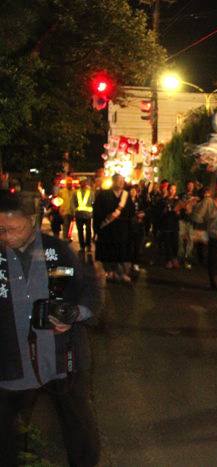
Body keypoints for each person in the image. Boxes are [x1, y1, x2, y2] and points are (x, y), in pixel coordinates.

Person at [0, 191, 100, 466]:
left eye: (13, 229)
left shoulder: (58, 251)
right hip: (12, 360)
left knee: (78, 425)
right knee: (4, 429)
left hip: (62, 357)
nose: (6, 236)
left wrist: (76, 313)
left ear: (32, 221)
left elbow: (88, 289)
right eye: (0, 230)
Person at [93, 174, 135, 283]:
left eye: (122, 180)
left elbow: (131, 211)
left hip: (122, 228)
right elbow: (97, 211)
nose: (121, 182)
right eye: (118, 180)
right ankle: (109, 271)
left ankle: (122, 273)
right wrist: (98, 226)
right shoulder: (103, 195)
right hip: (108, 228)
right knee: (108, 250)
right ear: (113, 181)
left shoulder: (126, 195)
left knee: (122, 251)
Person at [177, 180, 198, 269]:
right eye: (188, 185)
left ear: (193, 186)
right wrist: (187, 203)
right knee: (180, 237)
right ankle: (180, 256)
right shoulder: (182, 195)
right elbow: (179, 205)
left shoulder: (196, 196)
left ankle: (187, 257)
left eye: (191, 185)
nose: (190, 186)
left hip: (191, 220)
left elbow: (198, 208)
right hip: (182, 219)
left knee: (190, 239)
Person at [71, 178, 94, 252]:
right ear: (80, 183)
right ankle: (82, 246)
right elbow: (73, 203)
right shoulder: (76, 193)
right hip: (79, 215)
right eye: (82, 182)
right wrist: (74, 211)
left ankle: (88, 245)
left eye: (84, 182)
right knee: (80, 231)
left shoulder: (90, 192)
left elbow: (93, 202)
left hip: (88, 215)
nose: (83, 183)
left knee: (88, 230)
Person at [160, 183, 180, 269]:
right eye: (171, 189)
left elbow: (181, 214)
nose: (172, 191)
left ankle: (174, 259)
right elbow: (159, 213)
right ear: (168, 190)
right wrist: (163, 211)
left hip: (175, 224)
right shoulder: (164, 200)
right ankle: (168, 260)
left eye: (174, 189)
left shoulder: (178, 201)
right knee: (167, 243)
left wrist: (179, 212)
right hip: (166, 224)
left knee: (175, 243)